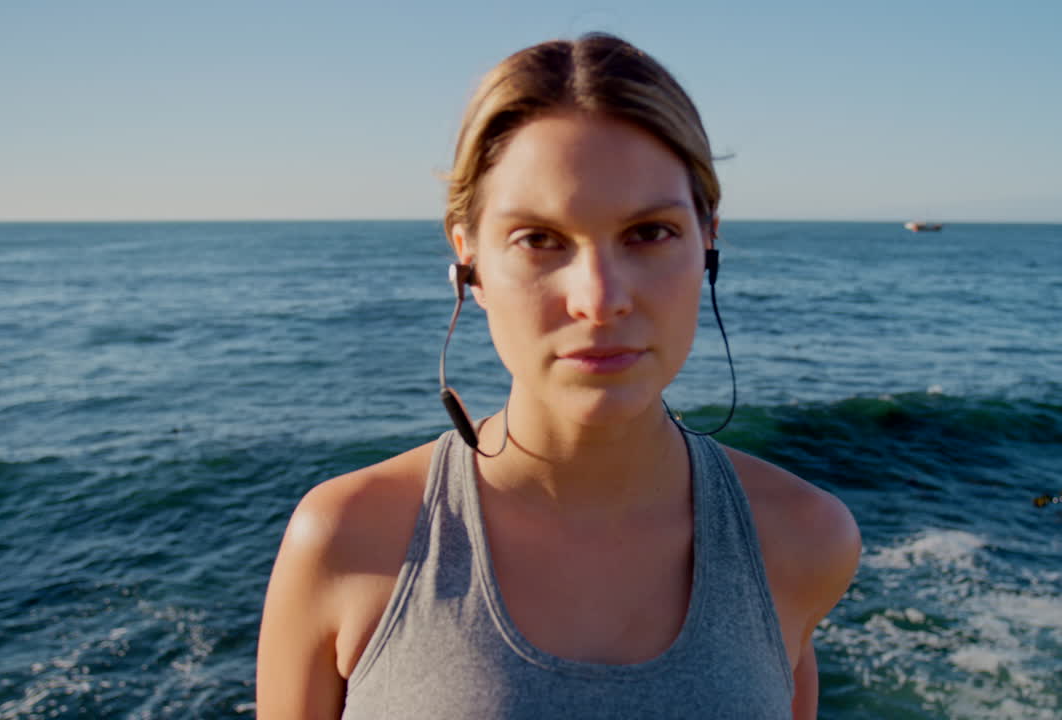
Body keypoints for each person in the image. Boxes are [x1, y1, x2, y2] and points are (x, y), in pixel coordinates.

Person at [256, 33, 860, 719]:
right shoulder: (346, 542)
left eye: (650, 232)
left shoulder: (803, 540)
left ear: (708, 240)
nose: (600, 298)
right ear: (468, 261)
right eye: (539, 239)